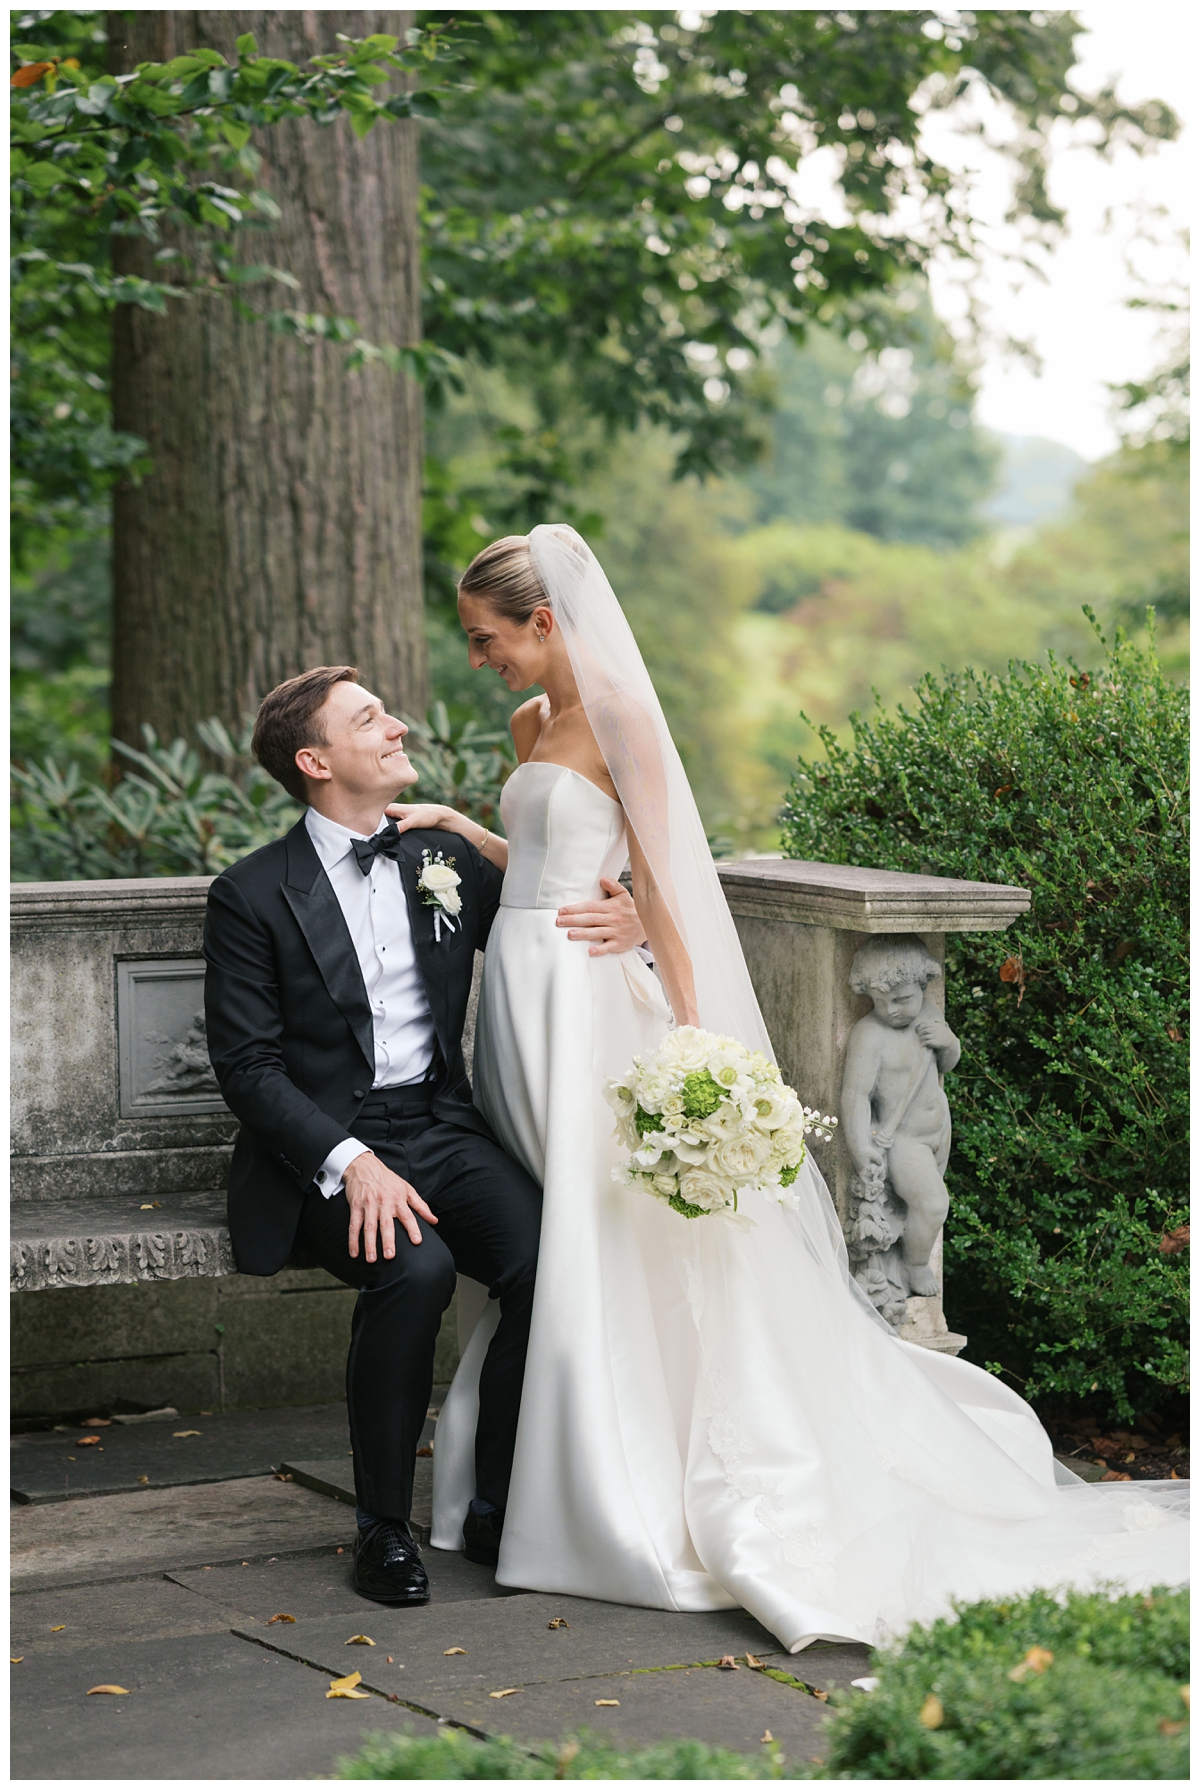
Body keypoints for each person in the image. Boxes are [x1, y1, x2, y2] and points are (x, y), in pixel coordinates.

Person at [395, 524, 1188, 1654]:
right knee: (545, 1220)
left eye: (488, 638)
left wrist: (690, 1026)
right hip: (519, 1009)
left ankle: (613, 1480)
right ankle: (534, 1467)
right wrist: (467, 826)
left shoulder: (620, 720)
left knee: (604, 1224)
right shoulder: (528, 726)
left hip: (591, 1004)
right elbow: (544, 862)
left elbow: (667, 877)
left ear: (544, 621)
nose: (481, 660)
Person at [202, 664, 646, 1607]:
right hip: (328, 1145)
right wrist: (350, 1163)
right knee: (418, 1271)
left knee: (546, 1260)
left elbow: (547, 911)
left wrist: (635, 909)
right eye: (372, 720)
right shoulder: (248, 895)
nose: (398, 726)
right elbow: (249, 1071)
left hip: (441, 1123)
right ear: (316, 761)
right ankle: (382, 1531)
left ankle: (494, 1505)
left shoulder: (432, 859)